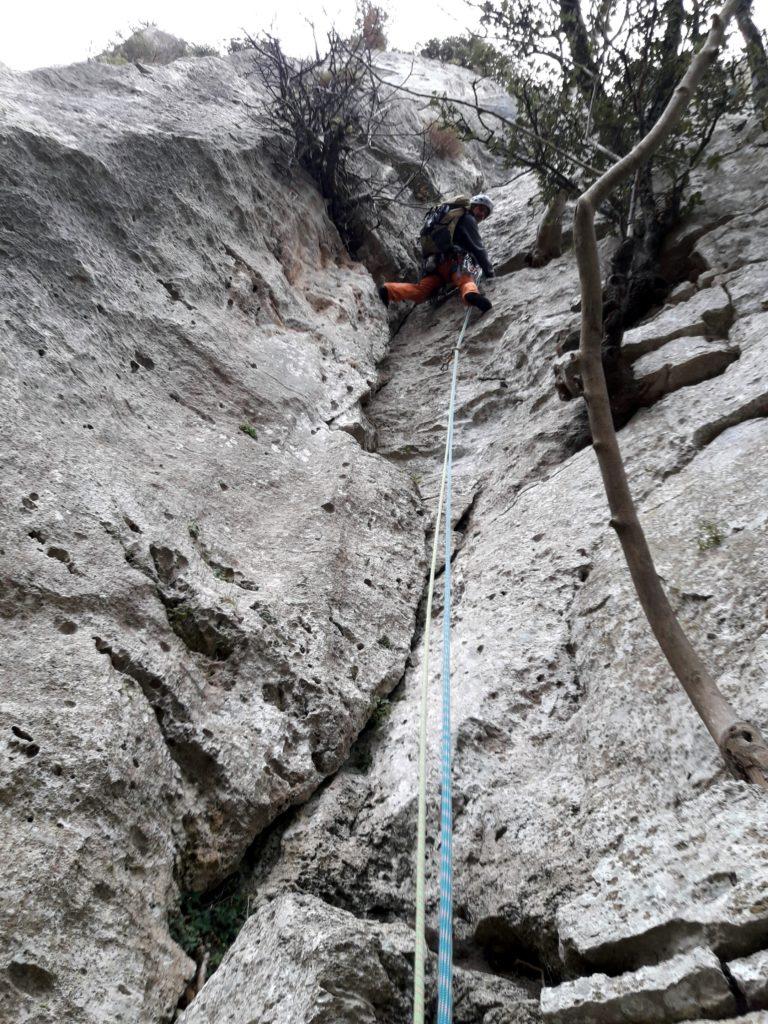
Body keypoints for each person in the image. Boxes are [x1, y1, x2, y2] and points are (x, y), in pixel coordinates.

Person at [379, 194, 495, 314]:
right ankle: (470, 294)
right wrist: (490, 273)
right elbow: (479, 249)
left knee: (421, 291)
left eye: (485, 214)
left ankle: (388, 290)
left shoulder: (449, 218)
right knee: (465, 280)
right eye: (481, 209)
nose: (482, 214)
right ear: (473, 206)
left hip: (434, 265)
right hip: (455, 262)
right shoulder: (468, 219)